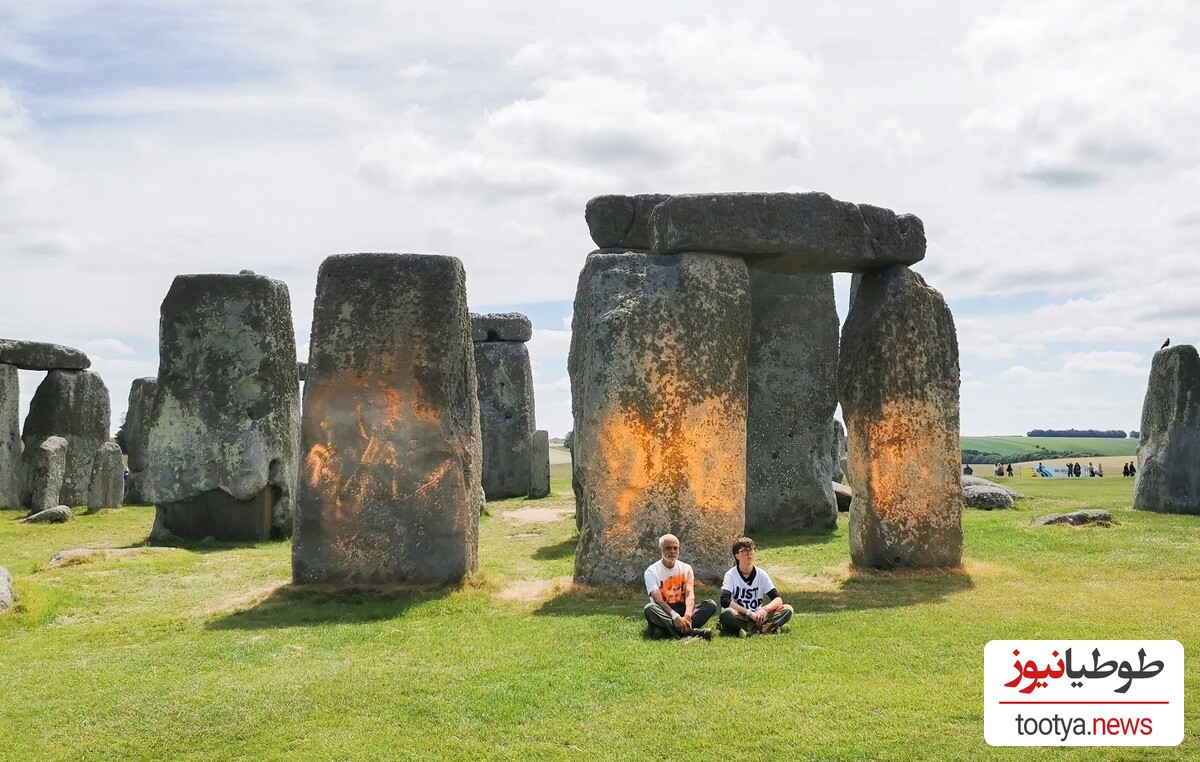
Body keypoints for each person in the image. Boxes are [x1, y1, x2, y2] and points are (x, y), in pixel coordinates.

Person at [643, 534, 716, 640]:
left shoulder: (686, 568)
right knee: (649, 608)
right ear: (661, 550)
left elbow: (690, 595)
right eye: (668, 548)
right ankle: (691, 631)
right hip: (664, 611)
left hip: (682, 608)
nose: (672, 551)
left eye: (675, 548)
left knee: (710, 605)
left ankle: (665, 630)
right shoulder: (652, 571)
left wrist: (687, 615)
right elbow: (658, 600)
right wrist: (675, 616)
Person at [718, 537, 794, 636]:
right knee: (727, 613)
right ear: (737, 556)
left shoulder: (761, 574)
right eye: (744, 551)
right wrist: (749, 613)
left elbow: (777, 599)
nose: (749, 553)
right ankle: (765, 627)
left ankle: (751, 628)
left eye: (751, 550)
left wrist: (765, 610)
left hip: (759, 615)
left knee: (788, 609)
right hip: (741, 615)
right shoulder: (731, 574)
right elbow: (725, 601)